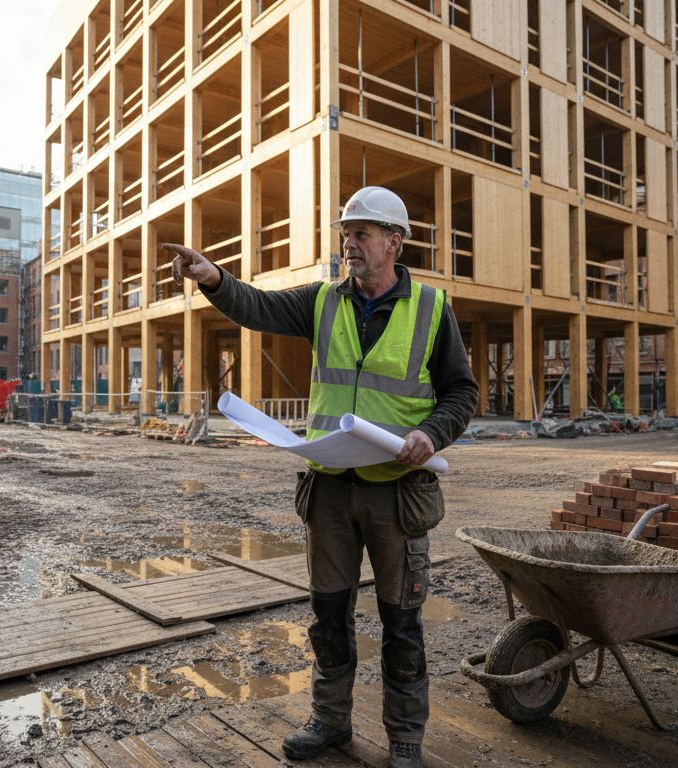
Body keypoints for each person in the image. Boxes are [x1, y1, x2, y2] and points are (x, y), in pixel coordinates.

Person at [165, 186, 479, 768]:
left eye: (361, 233)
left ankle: (405, 739)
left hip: (397, 492)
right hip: (331, 490)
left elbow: (462, 392)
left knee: (401, 623)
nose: (349, 243)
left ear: (395, 241)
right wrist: (213, 277)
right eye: (345, 232)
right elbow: (256, 306)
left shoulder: (433, 310)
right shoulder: (324, 301)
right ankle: (331, 722)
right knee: (328, 616)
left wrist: (432, 434)